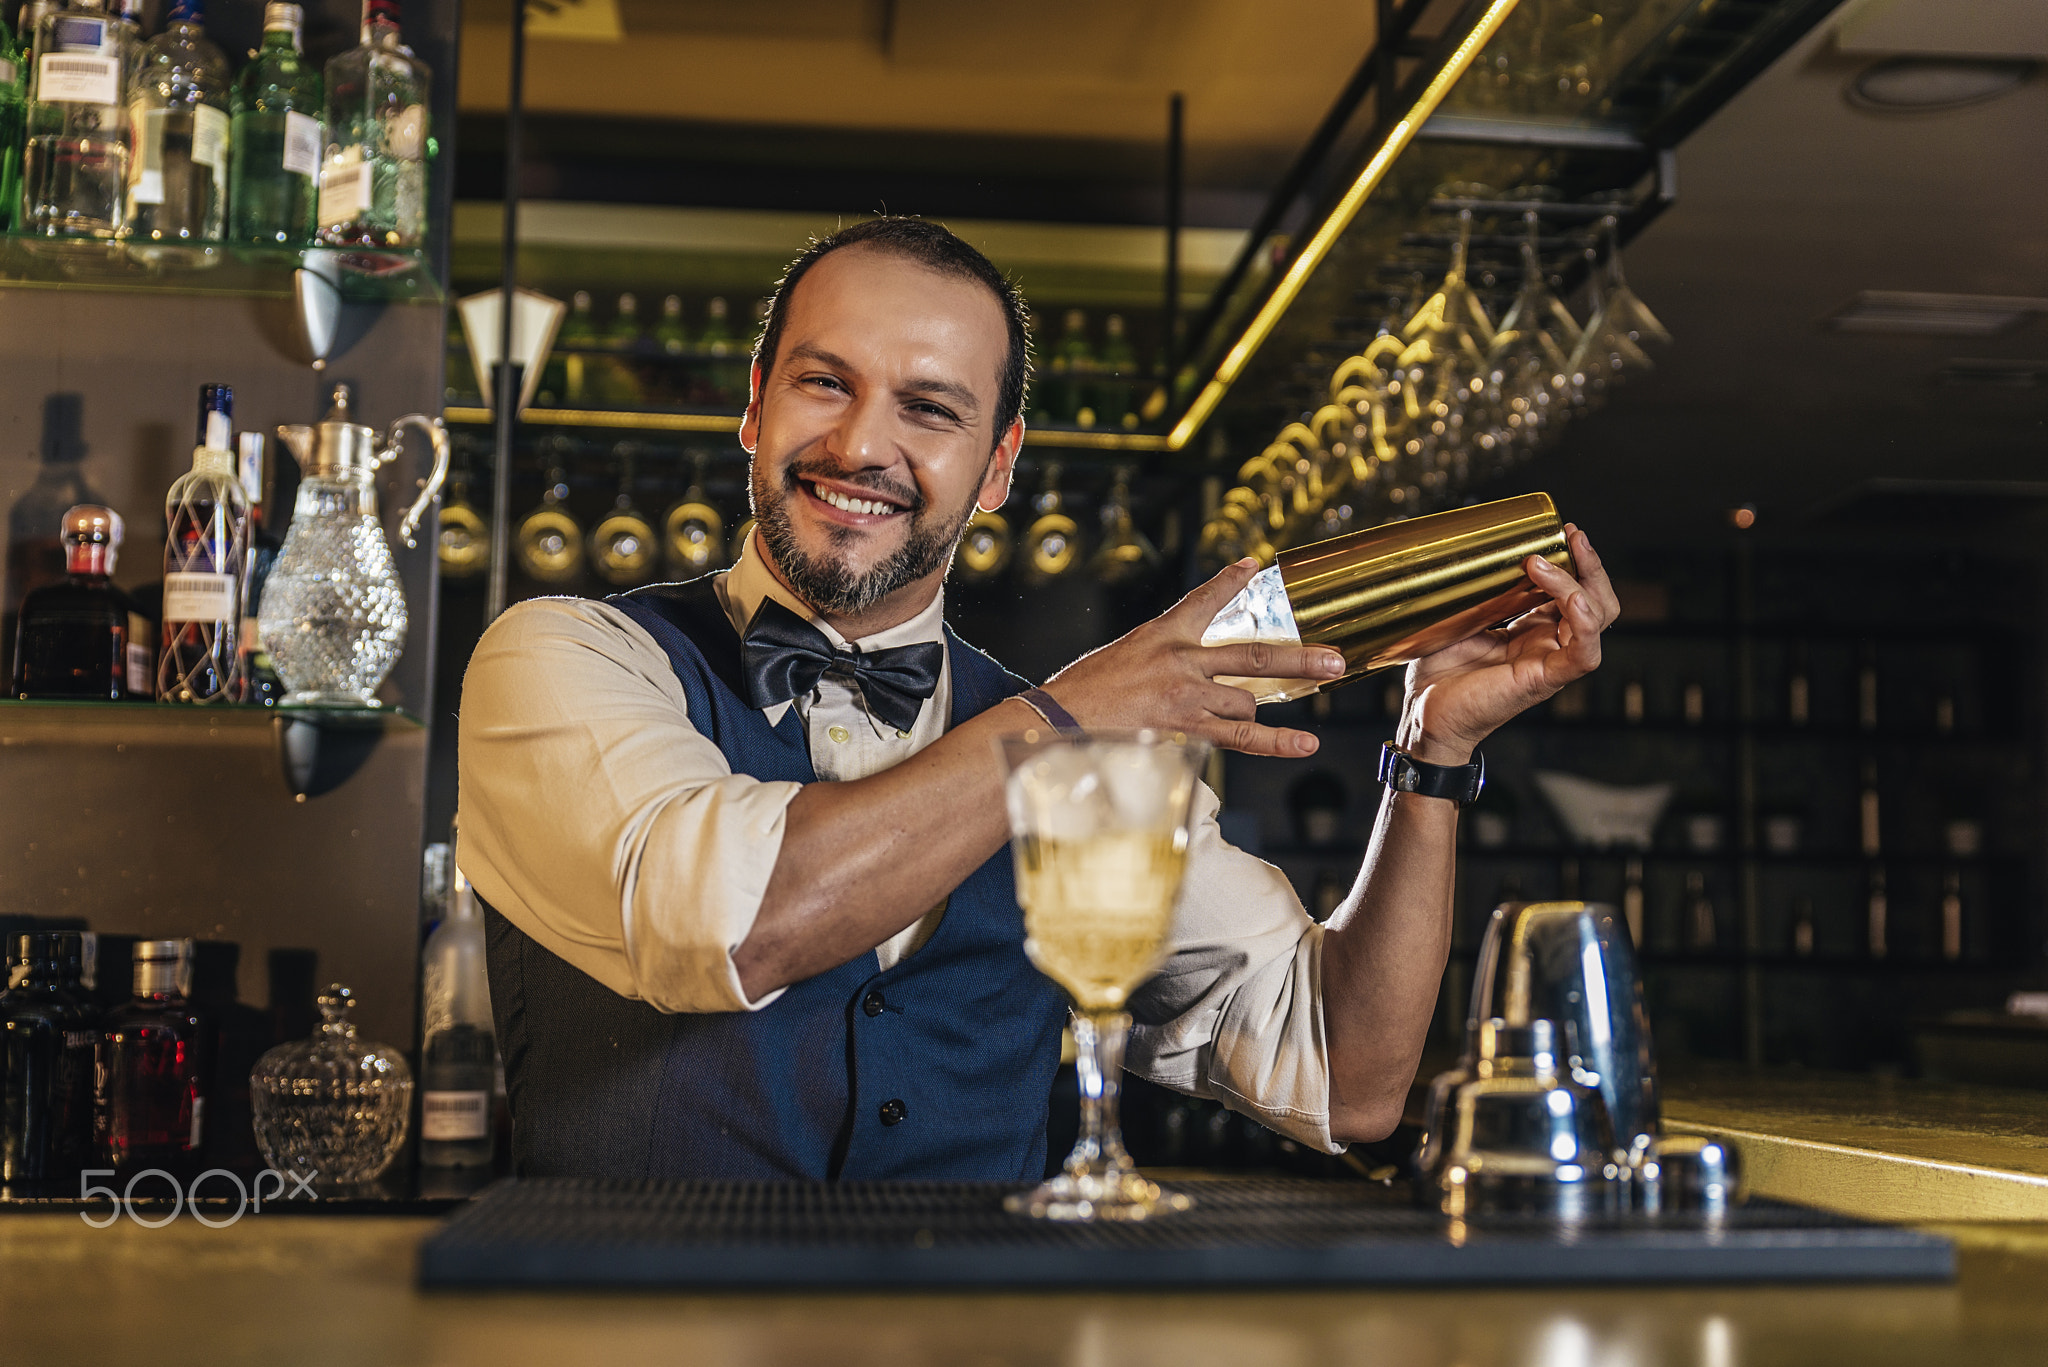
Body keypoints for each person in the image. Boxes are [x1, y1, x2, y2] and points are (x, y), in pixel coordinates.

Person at [457, 216, 1619, 1182]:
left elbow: (1348, 1076)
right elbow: (730, 923)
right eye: (824, 381)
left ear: (999, 465)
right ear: (756, 406)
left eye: (929, 408)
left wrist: (1425, 758)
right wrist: (1068, 718)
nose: (862, 441)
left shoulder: (1088, 726)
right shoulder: (567, 660)